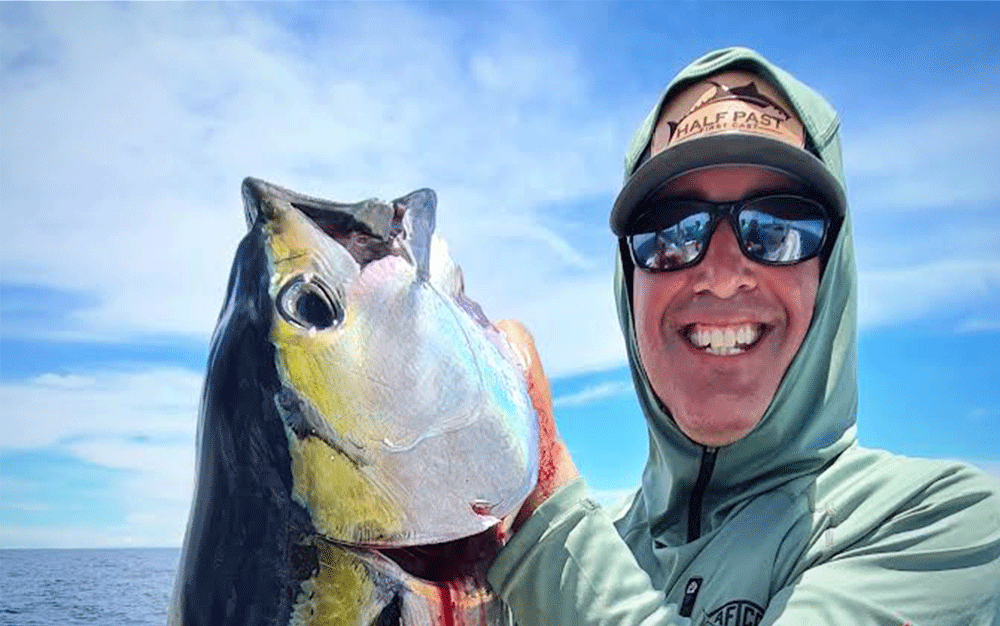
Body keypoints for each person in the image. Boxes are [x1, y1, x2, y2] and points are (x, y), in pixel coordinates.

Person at [490, 47, 1000, 625]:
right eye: (671, 233)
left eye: (781, 226)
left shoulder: (938, 524)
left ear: (829, 272)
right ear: (628, 280)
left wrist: (541, 519)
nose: (724, 275)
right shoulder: (571, 553)